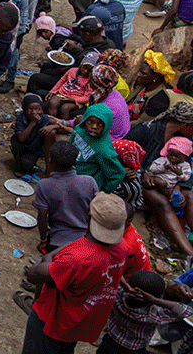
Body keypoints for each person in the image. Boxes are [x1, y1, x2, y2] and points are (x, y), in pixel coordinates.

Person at [19, 193, 132, 354]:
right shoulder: (122, 247)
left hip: (53, 321)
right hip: (79, 321)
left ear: (88, 216)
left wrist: (50, 256)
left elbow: (33, 274)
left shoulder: (79, 259)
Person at [99, 270, 193, 354]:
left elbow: (113, 271)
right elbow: (187, 311)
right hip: (134, 350)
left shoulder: (118, 296)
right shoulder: (154, 312)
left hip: (109, 341)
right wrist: (154, 300)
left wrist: (126, 287)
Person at [34, 140, 101, 252]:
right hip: (86, 241)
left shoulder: (44, 186)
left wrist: (43, 240)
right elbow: (97, 211)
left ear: (50, 160)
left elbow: (42, 216)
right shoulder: (89, 182)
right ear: (75, 162)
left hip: (58, 242)